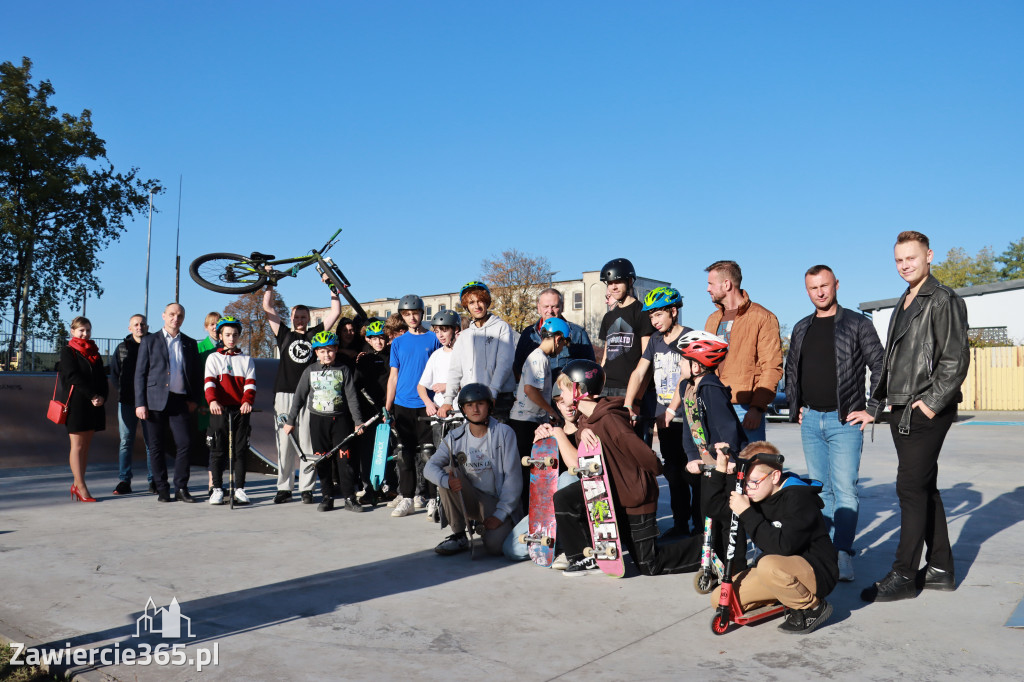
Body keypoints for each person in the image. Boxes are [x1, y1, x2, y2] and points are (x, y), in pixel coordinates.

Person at [861, 231, 970, 603]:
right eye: (899, 260)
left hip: (923, 410)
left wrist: (929, 403)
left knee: (909, 488)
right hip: (901, 410)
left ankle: (905, 573)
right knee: (924, 488)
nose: (905, 265)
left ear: (929, 256)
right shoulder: (904, 300)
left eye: (911, 257)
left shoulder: (942, 299)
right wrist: (878, 406)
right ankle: (940, 568)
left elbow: (955, 360)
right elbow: (894, 363)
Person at [552, 360, 701, 577]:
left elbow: (647, 458)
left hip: (635, 498)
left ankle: (709, 548)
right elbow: (588, 429)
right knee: (564, 497)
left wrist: (642, 478)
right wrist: (581, 432)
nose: (560, 394)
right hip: (612, 495)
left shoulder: (611, 420)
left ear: (578, 390)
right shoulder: (587, 418)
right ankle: (582, 557)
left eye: (564, 388)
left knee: (649, 565)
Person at [786, 265, 885, 582]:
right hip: (811, 420)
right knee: (821, 491)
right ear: (807, 290)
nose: (820, 292)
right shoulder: (801, 328)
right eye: (814, 288)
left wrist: (872, 409)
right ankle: (825, 553)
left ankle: (842, 554)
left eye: (825, 286)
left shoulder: (857, 324)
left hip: (845, 421)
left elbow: (880, 366)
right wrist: (796, 407)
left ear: (836, 285)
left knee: (844, 490)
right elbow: (792, 371)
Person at [704, 441, 839, 635]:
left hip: (816, 571)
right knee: (720, 598)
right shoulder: (756, 493)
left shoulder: (798, 498)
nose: (747, 489)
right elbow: (713, 508)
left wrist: (748, 512)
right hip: (779, 569)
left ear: (775, 476)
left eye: (753, 482)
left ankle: (813, 607)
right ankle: (784, 594)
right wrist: (720, 468)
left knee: (768, 565)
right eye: (744, 482)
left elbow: (783, 546)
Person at [669, 330, 748, 563]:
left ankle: (736, 564)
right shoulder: (687, 388)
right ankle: (713, 561)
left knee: (730, 516)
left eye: (683, 360)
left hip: (728, 461)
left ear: (696, 367)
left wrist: (730, 456)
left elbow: (727, 426)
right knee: (709, 512)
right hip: (708, 464)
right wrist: (692, 456)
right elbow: (689, 426)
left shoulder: (711, 388)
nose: (679, 365)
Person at [264, 277, 341, 505]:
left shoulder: (314, 336)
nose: (299, 320)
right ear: (291, 318)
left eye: (303, 317)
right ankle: (284, 488)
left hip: (310, 395)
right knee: (285, 443)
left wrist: (330, 285)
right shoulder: (284, 334)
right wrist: (269, 283)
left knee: (308, 442)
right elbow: (267, 308)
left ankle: (306, 489)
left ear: (309, 319)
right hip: (285, 394)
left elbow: (335, 312)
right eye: (296, 316)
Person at [623, 286, 693, 537]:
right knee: (673, 471)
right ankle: (681, 524)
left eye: (658, 315)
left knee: (693, 471)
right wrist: (628, 403)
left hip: (687, 416)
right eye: (651, 316)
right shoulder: (654, 340)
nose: (654, 321)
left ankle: (700, 528)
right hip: (664, 416)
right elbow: (640, 372)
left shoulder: (689, 337)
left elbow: (686, 379)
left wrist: (672, 410)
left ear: (673, 311)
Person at [424, 383, 522, 556]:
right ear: (463, 409)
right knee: (448, 472)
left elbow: (513, 478)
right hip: (468, 498)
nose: (475, 409)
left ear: (490, 406)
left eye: (480, 404)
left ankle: (490, 524)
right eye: (469, 405)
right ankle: (459, 535)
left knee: (496, 547)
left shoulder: (505, 433)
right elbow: (430, 467)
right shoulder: (455, 437)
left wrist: (500, 515)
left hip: (495, 501)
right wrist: (446, 481)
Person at [283, 331, 366, 512]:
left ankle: (350, 498)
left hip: (341, 422)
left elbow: (352, 398)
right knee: (322, 461)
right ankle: (327, 497)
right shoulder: (310, 371)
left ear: (336, 349)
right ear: (315, 352)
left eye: (330, 350)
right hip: (318, 422)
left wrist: (358, 421)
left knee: (345, 462)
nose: (326, 355)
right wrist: (290, 421)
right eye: (322, 351)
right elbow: (299, 397)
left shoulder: (344, 370)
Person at [703, 260, 783, 443]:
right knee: (721, 468)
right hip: (714, 405)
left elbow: (772, 368)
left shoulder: (763, 317)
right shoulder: (712, 320)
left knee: (750, 467)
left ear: (727, 284)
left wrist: (757, 408)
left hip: (745, 408)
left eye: (710, 283)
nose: (708, 289)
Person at [135, 303, 203, 503]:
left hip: (180, 400)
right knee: (156, 446)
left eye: (180, 315)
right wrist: (140, 403)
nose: (176, 318)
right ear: (164, 316)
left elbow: (197, 375)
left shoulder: (190, 343)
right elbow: (140, 374)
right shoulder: (149, 341)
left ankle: (181, 487)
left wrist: (194, 399)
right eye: (172, 314)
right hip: (154, 401)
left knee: (185, 443)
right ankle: (162, 488)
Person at [386, 295, 442, 517]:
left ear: (422, 313)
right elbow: (393, 376)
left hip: (428, 405)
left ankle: (431, 498)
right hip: (402, 404)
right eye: (407, 314)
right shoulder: (398, 342)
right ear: (402, 316)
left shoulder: (433, 338)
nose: (412, 317)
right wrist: (387, 406)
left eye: (415, 313)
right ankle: (407, 497)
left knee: (429, 454)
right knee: (404, 454)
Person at [509, 317, 570, 513]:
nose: (562, 350)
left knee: (534, 470)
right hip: (525, 422)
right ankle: (529, 516)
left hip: (530, 420)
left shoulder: (539, 357)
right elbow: (530, 390)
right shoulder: (539, 358)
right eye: (564, 344)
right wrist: (552, 411)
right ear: (558, 338)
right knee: (530, 472)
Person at [439, 281, 517, 422]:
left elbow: (504, 363)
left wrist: (493, 392)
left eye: (480, 301)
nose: (477, 306)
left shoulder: (501, 328)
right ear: (467, 307)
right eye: (472, 302)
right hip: (472, 398)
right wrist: (448, 400)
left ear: (487, 302)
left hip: (498, 398)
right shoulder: (464, 336)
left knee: (499, 441)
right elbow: (455, 370)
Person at [598, 258, 656, 441]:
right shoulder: (608, 317)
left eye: (618, 282)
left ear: (630, 281)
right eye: (610, 283)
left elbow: (647, 359)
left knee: (635, 445)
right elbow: (605, 358)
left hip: (631, 391)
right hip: (607, 391)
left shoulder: (642, 312)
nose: (613, 287)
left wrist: (637, 399)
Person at [203, 316, 256, 505]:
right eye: (227, 335)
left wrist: (247, 401)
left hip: (241, 410)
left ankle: (240, 488)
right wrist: (213, 401)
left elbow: (250, 384)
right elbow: (209, 382)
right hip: (219, 409)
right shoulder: (213, 358)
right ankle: (217, 488)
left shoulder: (246, 359)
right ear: (220, 336)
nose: (231, 338)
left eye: (234, 335)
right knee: (218, 450)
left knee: (240, 450)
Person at [417, 309, 463, 520]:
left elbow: (471, 381)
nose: (441, 335)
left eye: (445, 330)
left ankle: (463, 501)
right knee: (440, 461)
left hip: (460, 416)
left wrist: (448, 385)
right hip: (440, 419)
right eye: (437, 331)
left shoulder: (463, 353)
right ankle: (439, 498)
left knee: (462, 462)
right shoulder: (436, 356)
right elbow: (421, 386)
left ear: (456, 330)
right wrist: (428, 403)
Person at [60, 316, 109, 502]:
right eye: (81, 330)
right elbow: (72, 376)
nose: (85, 333)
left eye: (88, 330)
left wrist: (102, 396)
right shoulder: (68, 351)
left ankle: (76, 483)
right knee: (77, 446)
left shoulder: (94, 351)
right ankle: (80, 486)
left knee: (86, 447)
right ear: (73, 331)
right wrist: (93, 395)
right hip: (77, 404)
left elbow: (102, 377)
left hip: (94, 404)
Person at [110, 313, 154, 495]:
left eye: (142, 324)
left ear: (147, 327)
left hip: (150, 402)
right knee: (126, 441)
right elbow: (114, 374)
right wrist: (124, 391)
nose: (139, 327)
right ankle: (124, 481)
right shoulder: (122, 348)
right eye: (135, 324)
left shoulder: (154, 346)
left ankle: (154, 480)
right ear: (130, 328)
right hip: (127, 401)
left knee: (152, 443)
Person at [512, 288, 594, 383]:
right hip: (536, 394)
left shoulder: (578, 333)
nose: (550, 311)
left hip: (564, 395)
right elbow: (518, 367)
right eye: (545, 306)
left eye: (554, 306)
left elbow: (589, 368)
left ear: (562, 307)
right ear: (538, 308)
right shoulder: (528, 334)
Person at [353, 319, 392, 505]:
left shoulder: (394, 355)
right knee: (368, 450)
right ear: (368, 340)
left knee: (389, 449)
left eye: (382, 338)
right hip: (371, 411)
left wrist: (388, 407)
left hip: (390, 409)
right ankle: (369, 488)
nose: (379, 342)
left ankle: (389, 487)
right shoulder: (364, 359)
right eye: (374, 338)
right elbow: (357, 386)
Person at [197, 311, 221, 493]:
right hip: (206, 401)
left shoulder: (227, 346)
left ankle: (218, 480)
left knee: (221, 442)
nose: (214, 327)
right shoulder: (200, 348)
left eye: (217, 323)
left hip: (224, 401)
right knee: (211, 443)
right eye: (211, 324)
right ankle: (212, 482)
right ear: (206, 327)